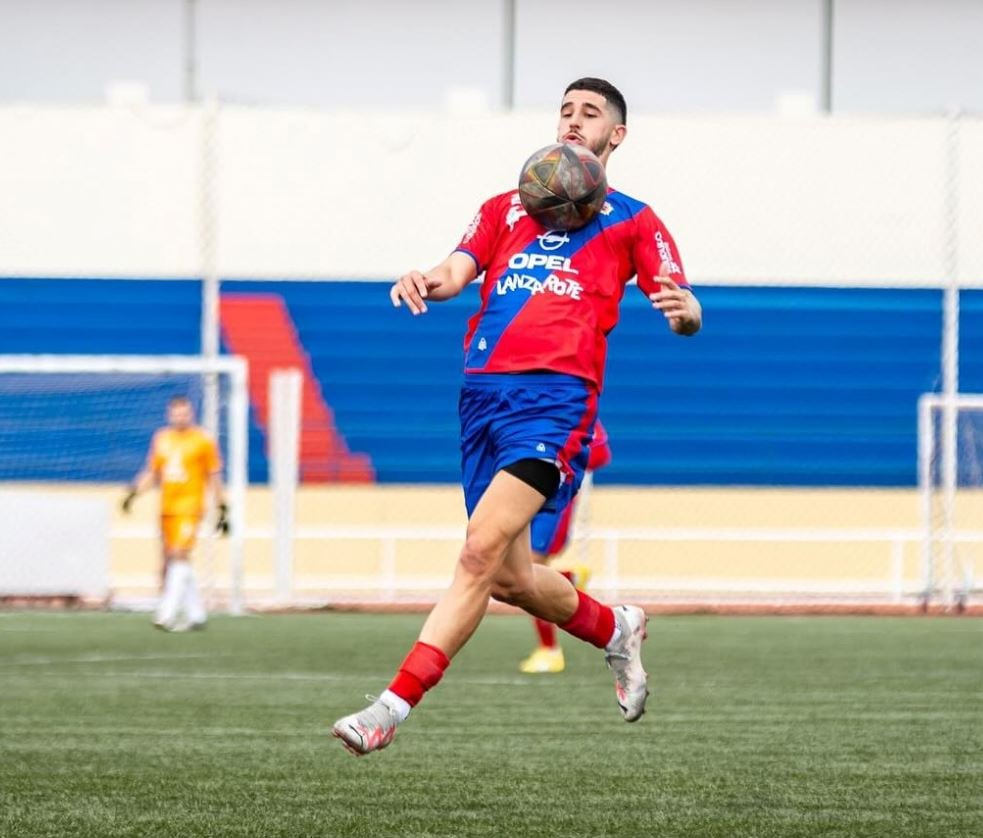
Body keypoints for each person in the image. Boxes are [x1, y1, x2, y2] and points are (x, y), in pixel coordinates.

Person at [332, 77, 702, 756]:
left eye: (589, 113)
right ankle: (614, 628)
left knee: (476, 551)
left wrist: (687, 315)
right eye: (564, 110)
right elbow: (456, 269)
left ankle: (390, 707)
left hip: (555, 399)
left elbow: (677, 298)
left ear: (614, 136)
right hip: (480, 395)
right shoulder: (503, 209)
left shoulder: (633, 220)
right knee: (507, 576)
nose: (572, 120)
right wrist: (425, 279)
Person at [121, 395, 228, 632]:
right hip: (167, 507)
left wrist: (222, 507)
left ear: (191, 414)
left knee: (179, 554)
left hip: (190, 506)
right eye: (176, 413)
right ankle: (196, 613)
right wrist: (133, 493)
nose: (181, 417)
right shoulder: (162, 439)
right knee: (175, 559)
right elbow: (153, 471)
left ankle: (165, 614)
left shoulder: (203, 441)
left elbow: (213, 475)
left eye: (185, 412)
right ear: (170, 415)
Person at [519, 418, 611, 674]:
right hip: (521, 498)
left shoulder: (574, 405)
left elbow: (600, 453)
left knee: (529, 572)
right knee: (515, 573)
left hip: (554, 505)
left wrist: (560, 460)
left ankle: (549, 650)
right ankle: (569, 578)